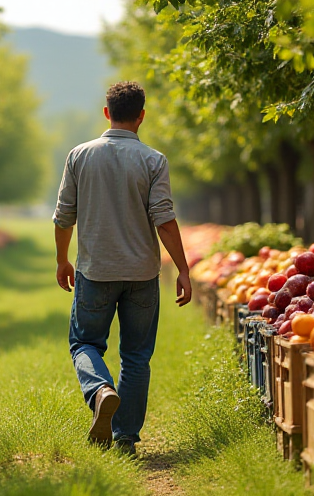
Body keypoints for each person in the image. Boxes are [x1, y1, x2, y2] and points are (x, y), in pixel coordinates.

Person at [52, 81, 191, 456]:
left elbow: (65, 215)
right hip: (143, 275)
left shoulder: (79, 155)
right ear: (142, 116)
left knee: (84, 342)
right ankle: (125, 438)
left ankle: (100, 390)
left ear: (106, 113)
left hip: (95, 271)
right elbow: (164, 219)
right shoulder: (154, 160)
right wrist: (183, 269)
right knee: (136, 356)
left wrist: (62, 259)